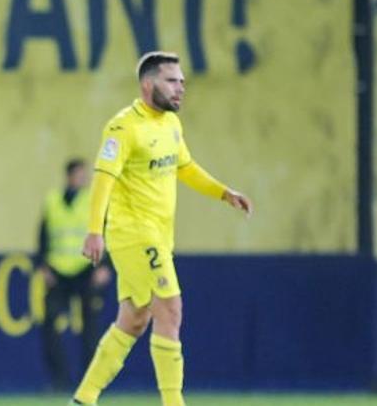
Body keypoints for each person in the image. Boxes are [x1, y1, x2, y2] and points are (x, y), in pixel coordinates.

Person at [71, 51, 253, 406]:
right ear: (147, 84)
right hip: (135, 234)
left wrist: (223, 193)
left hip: (157, 237)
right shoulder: (123, 127)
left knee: (134, 319)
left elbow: (184, 167)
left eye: (182, 81)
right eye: (172, 81)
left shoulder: (170, 124)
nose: (180, 88)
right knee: (170, 309)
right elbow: (103, 179)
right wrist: (94, 231)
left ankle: (83, 398)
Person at [37, 158, 112, 392]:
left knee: (89, 328)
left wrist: (104, 266)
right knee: (50, 325)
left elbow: (106, 233)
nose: (84, 179)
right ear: (69, 176)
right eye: (80, 175)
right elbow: (43, 236)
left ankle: (90, 382)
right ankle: (58, 380)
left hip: (85, 271)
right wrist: (43, 265)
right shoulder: (52, 201)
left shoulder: (93, 200)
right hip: (57, 272)